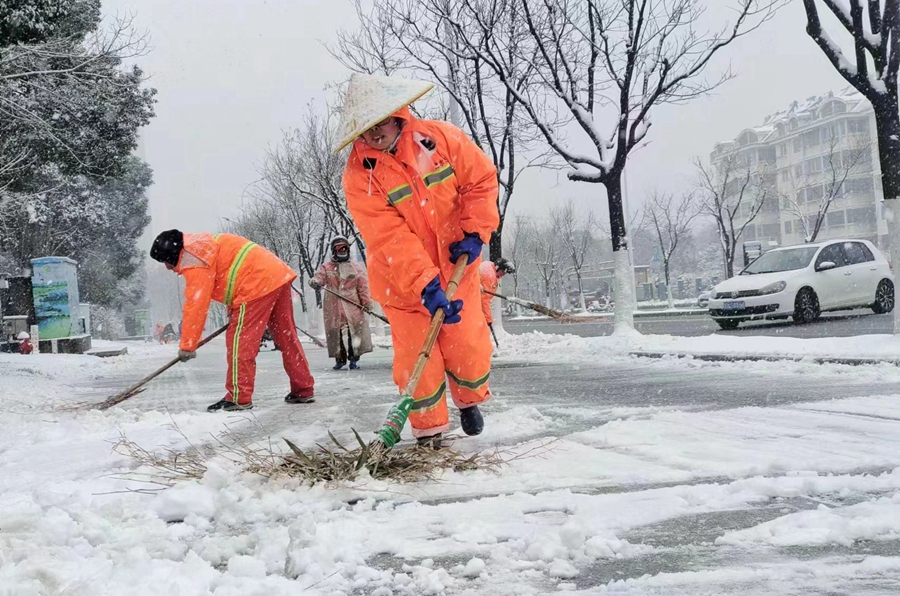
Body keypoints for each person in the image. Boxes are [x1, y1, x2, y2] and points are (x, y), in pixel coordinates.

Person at [335, 73, 500, 447]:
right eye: (365, 129)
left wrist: (476, 232)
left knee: (467, 347)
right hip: (403, 283)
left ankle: (470, 401)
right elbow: (388, 236)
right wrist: (424, 281)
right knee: (417, 359)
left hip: (458, 266)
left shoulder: (439, 139)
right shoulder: (360, 177)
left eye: (380, 122)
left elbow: (481, 181)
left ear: (397, 114)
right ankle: (429, 430)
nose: (375, 134)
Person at [149, 229, 315, 412]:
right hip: (276, 275)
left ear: (172, 254)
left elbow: (196, 303)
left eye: (165, 261)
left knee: (240, 343)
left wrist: (188, 344)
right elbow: (232, 272)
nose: (167, 267)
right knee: (287, 337)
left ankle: (238, 397)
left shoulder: (193, 258)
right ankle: (303, 388)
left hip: (255, 285)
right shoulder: (203, 243)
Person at [309, 237, 374, 370]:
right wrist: (315, 282)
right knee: (335, 333)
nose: (342, 251)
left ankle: (354, 358)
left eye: (344, 248)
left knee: (355, 332)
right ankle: (340, 359)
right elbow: (319, 277)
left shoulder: (356, 268)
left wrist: (366, 303)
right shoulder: (326, 267)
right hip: (333, 306)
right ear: (334, 251)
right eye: (339, 249)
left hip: (352, 305)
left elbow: (363, 288)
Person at [479, 258, 516, 332]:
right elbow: (484, 300)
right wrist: (488, 319)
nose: (503, 275)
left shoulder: (488, 264)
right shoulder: (490, 277)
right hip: (472, 303)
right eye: (503, 272)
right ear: (498, 268)